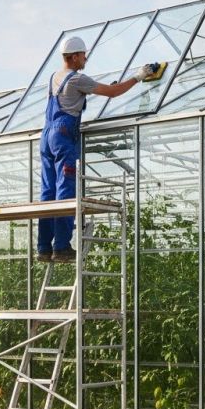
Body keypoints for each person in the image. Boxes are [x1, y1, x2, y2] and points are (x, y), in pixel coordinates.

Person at [37, 36, 158, 262]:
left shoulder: (55, 77)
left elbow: (81, 96)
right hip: (63, 136)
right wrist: (139, 76)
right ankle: (61, 246)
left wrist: (106, 87)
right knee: (65, 191)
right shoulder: (76, 79)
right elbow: (113, 93)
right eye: (83, 55)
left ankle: (44, 247)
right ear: (74, 57)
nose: (86, 58)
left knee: (48, 194)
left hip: (46, 137)